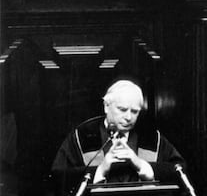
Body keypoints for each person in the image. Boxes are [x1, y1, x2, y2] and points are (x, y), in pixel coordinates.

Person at [50, 80, 186, 190]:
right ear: (106, 106)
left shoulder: (152, 138)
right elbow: (58, 177)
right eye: (122, 109)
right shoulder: (82, 136)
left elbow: (179, 170)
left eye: (134, 111)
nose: (128, 117)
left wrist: (142, 165)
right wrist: (100, 170)